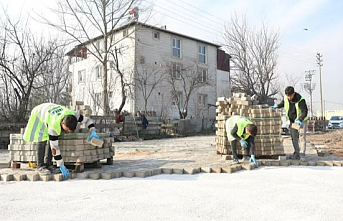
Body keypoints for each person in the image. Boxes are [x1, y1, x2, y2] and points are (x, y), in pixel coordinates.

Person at [23, 103, 99, 178]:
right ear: (62, 123)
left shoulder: (73, 115)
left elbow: (88, 120)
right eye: (67, 129)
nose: (68, 131)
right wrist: (61, 165)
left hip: (50, 108)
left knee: (51, 140)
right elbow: (54, 148)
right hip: (39, 112)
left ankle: (49, 165)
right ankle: (40, 166)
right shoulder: (54, 126)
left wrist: (93, 131)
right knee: (41, 138)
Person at [271, 86, 308, 161]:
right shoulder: (286, 97)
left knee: (302, 137)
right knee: (294, 137)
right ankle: (297, 154)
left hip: (301, 120)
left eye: (290, 96)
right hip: (292, 121)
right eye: (287, 96)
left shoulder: (301, 100)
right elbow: (283, 103)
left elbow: (304, 111)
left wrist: (300, 120)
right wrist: (277, 106)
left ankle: (302, 154)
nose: (289, 97)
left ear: (293, 93)